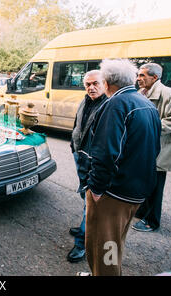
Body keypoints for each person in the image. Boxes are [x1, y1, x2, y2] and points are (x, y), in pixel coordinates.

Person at [84, 58, 161, 276]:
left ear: (107, 83)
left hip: (114, 193)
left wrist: (96, 189)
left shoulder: (116, 104)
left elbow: (106, 153)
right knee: (115, 242)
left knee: (105, 246)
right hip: (136, 191)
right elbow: (155, 148)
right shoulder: (146, 104)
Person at [132, 63, 171, 232]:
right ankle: (143, 211)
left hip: (161, 148)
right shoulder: (142, 93)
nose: (139, 79)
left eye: (143, 76)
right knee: (147, 181)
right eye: (138, 75)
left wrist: (148, 128)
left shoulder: (168, 93)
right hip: (148, 147)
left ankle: (152, 221)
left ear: (154, 77)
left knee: (156, 185)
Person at [67, 70, 107, 263]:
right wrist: (72, 146)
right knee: (86, 196)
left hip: (94, 161)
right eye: (87, 84)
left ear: (104, 83)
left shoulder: (109, 104)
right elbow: (77, 124)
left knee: (91, 203)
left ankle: (82, 243)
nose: (91, 87)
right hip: (80, 155)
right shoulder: (85, 100)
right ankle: (86, 227)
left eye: (95, 83)